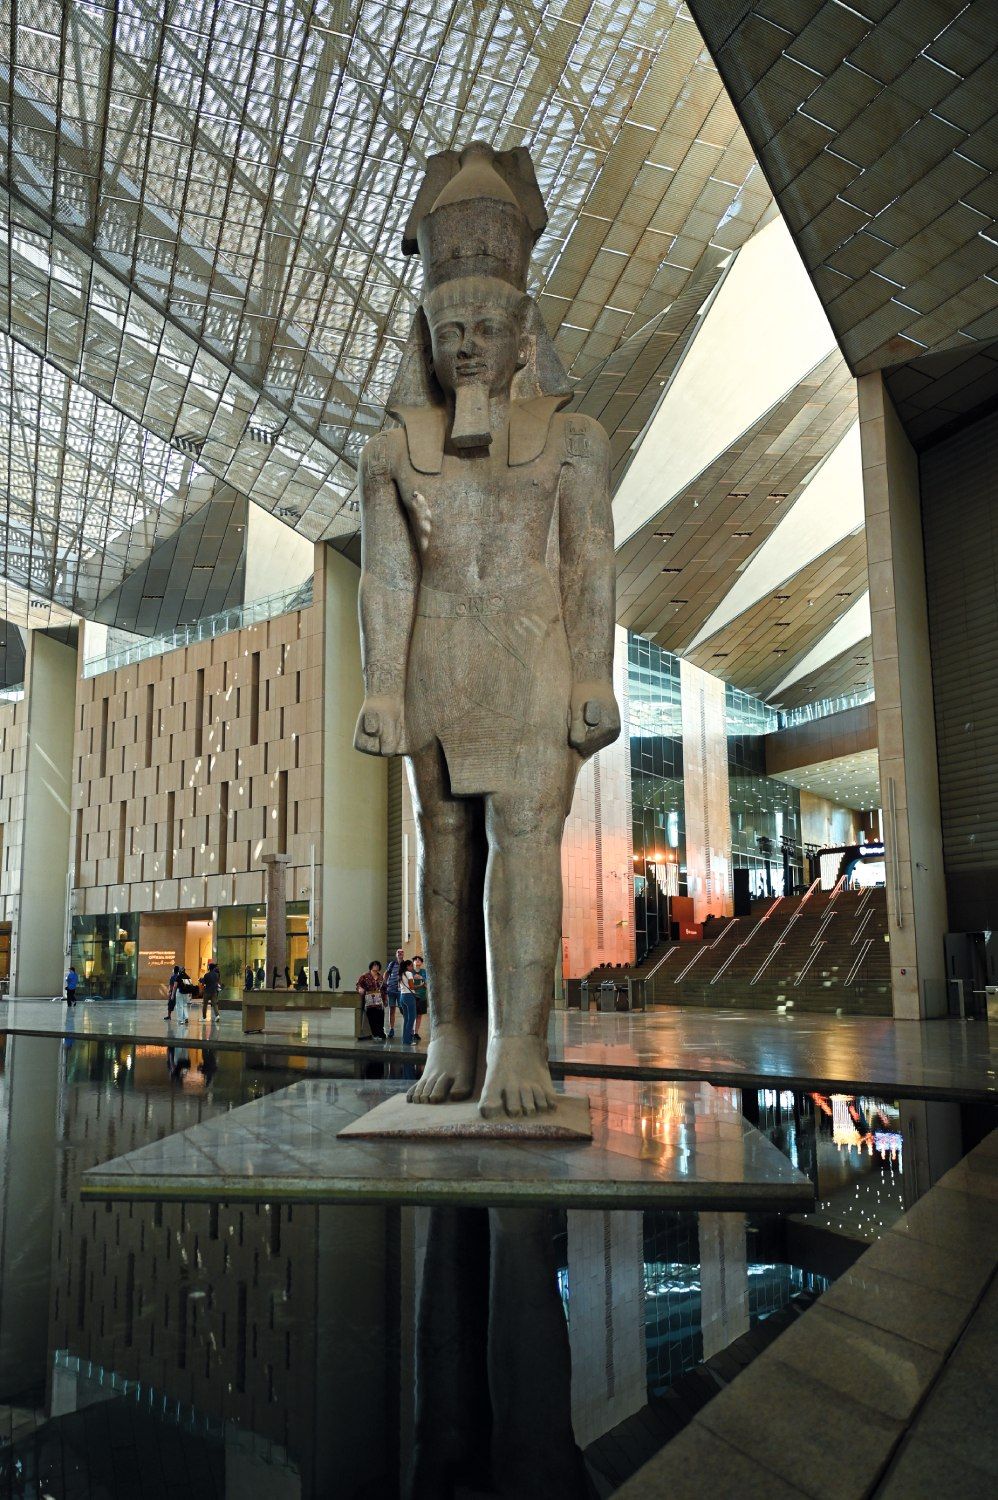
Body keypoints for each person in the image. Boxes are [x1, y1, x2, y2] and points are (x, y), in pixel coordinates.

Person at [356, 960, 386, 1041]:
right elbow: (358, 984)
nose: (376, 966)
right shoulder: (365, 976)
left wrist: (385, 999)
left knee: (380, 1017)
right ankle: (375, 1034)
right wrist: (360, 988)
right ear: (371, 966)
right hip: (369, 1000)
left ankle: (380, 1033)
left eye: (377, 965)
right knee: (372, 1017)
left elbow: (384, 988)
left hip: (379, 1001)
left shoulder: (380, 977)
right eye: (374, 965)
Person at [383, 947, 403, 1039]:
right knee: (392, 1010)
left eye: (402, 952)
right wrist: (385, 983)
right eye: (398, 952)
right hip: (391, 990)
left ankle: (407, 1029)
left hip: (401, 991)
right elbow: (386, 973)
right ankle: (391, 1029)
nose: (400, 953)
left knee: (403, 1009)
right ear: (396, 954)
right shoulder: (392, 964)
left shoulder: (405, 964)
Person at [397, 959, 418, 1046]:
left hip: (402, 997)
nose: (412, 968)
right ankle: (407, 1040)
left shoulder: (400, 974)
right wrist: (421, 985)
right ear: (407, 966)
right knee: (412, 1018)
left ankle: (404, 1039)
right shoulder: (408, 973)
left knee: (406, 1019)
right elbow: (412, 987)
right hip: (409, 996)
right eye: (411, 966)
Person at [412, 954, 428, 1043]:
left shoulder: (424, 971)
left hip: (422, 996)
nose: (417, 961)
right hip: (412, 996)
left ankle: (416, 1032)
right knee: (412, 1015)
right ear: (413, 962)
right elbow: (409, 985)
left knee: (419, 1015)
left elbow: (427, 984)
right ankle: (410, 1032)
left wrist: (421, 978)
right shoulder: (410, 972)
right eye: (415, 960)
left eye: (419, 960)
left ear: (421, 963)